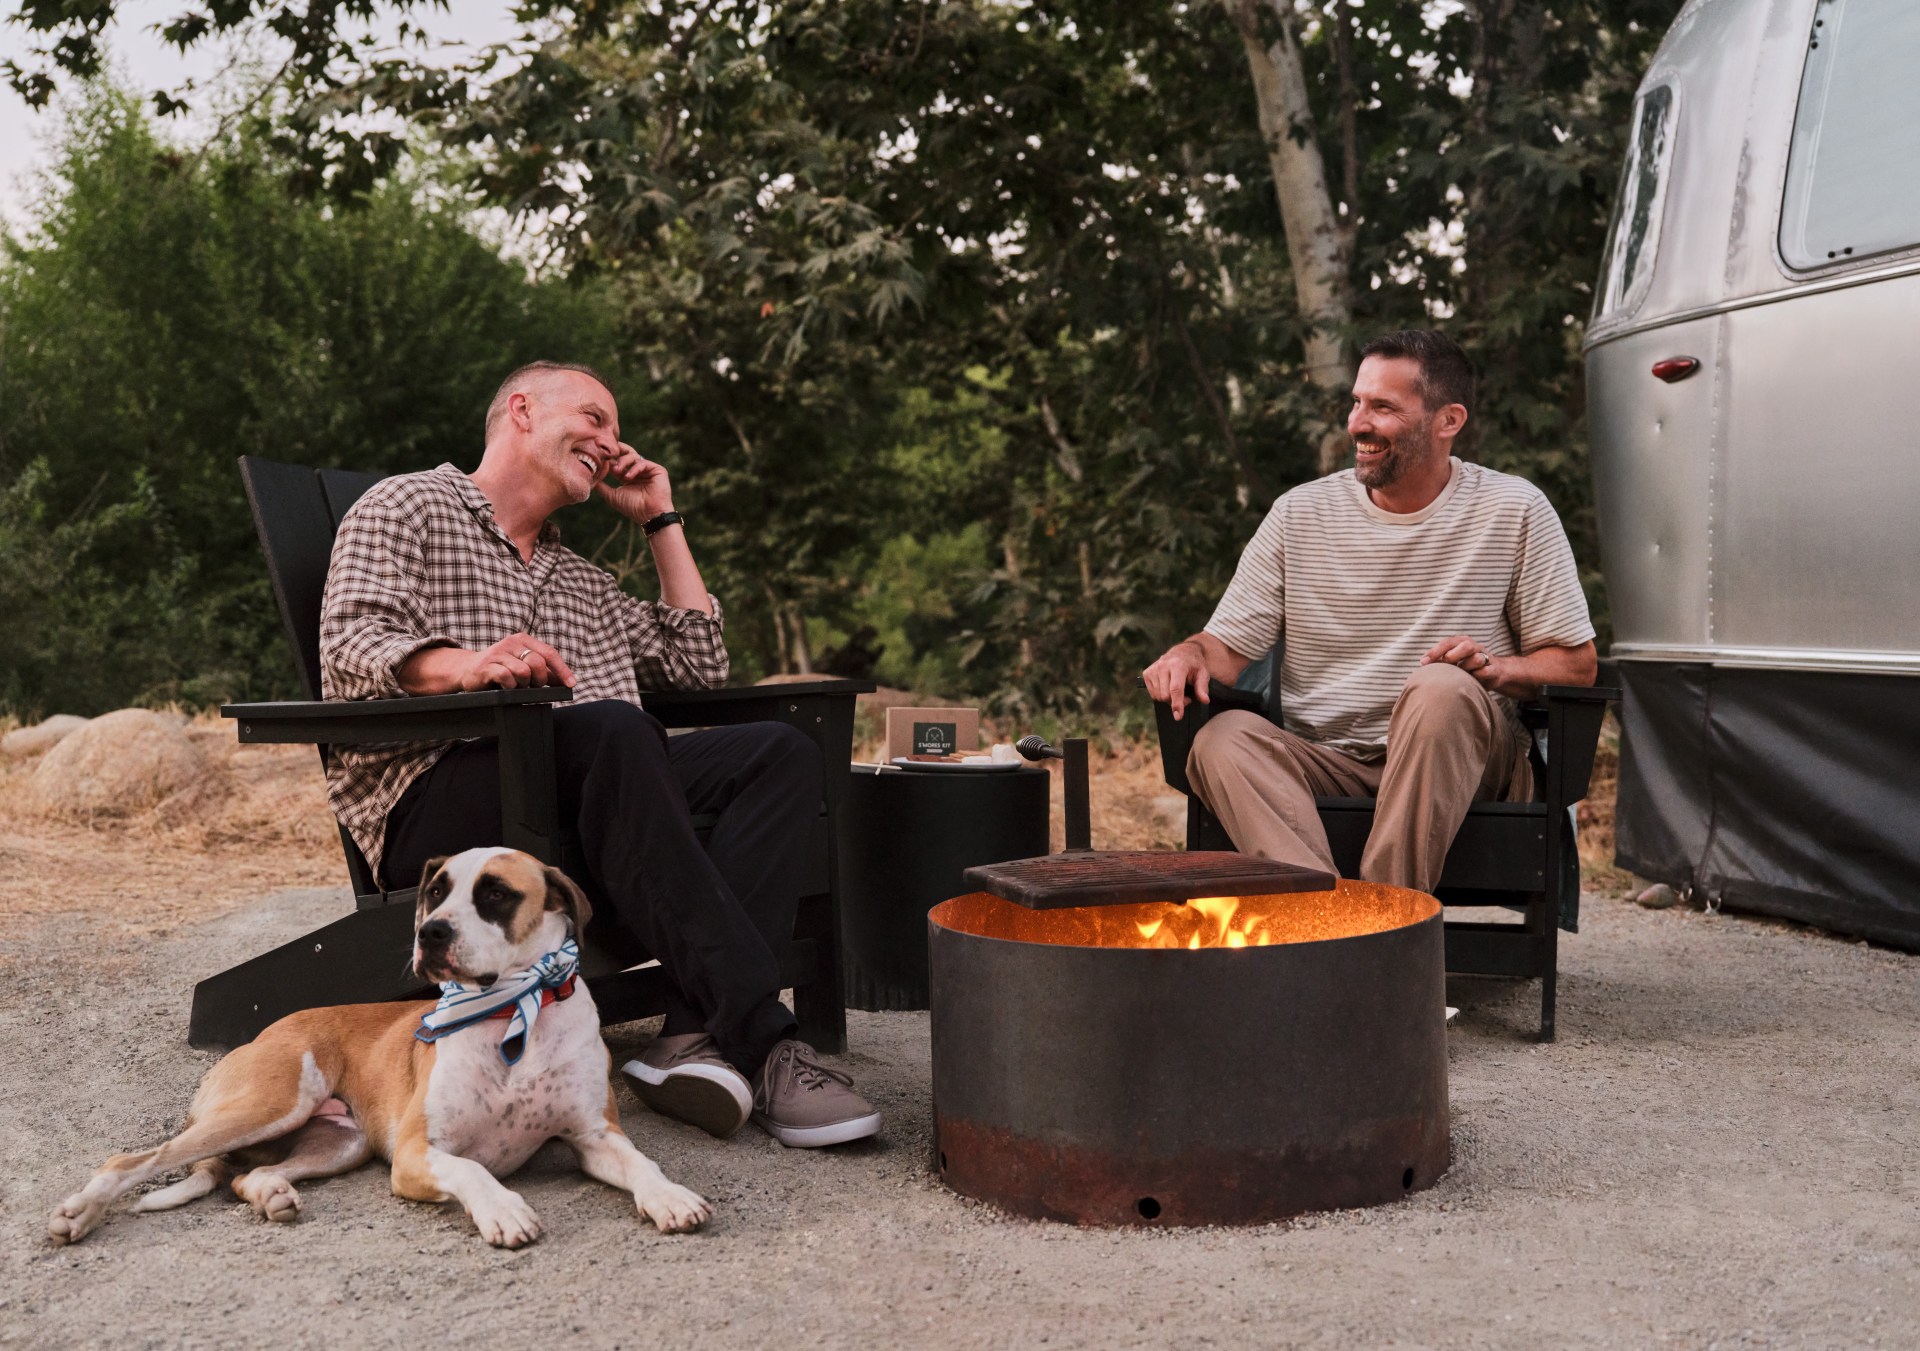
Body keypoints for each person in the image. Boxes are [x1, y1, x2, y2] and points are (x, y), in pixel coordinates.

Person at [319, 360, 881, 1148]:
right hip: (444, 802)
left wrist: (660, 518)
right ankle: (761, 1037)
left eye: (615, 429)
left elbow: (696, 665)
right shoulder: (408, 504)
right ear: (521, 410)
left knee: (777, 752)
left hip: (598, 806)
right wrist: (471, 663)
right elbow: (353, 642)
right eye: (593, 417)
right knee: (613, 726)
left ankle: (689, 1037)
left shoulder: (582, 577)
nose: (611, 442)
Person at [1141, 330, 1597, 892]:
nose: (1358, 423)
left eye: (1383, 407)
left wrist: (1500, 671)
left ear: (1448, 420)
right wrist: (1187, 654)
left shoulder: (1514, 510)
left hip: (1461, 761)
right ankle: (1328, 920)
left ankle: (1386, 915)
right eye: (1357, 402)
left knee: (1442, 688)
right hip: (1327, 760)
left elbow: (1576, 666)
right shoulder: (1299, 514)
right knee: (1222, 739)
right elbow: (1224, 652)